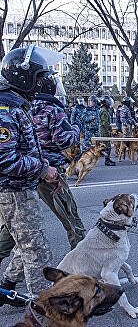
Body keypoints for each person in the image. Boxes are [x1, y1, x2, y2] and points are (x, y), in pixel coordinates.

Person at [0, 72, 86, 267]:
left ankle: (9, 275)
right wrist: (75, 130)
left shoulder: (24, 106)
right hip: (48, 172)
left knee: (16, 226)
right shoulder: (52, 109)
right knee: (71, 219)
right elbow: (63, 139)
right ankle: (83, 263)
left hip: (25, 172)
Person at [0, 45, 57, 306]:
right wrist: (42, 168)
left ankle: (7, 287)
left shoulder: (15, 104)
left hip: (19, 190)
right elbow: (5, 159)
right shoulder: (6, 109)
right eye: (38, 77)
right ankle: (43, 311)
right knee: (37, 251)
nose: (41, 84)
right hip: (14, 192)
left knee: (25, 245)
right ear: (22, 76)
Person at [99, 96, 116, 166]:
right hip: (104, 131)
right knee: (107, 146)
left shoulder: (104, 109)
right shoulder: (104, 111)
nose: (109, 103)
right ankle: (107, 160)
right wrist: (109, 131)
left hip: (104, 130)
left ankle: (107, 159)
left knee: (106, 145)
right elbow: (105, 123)